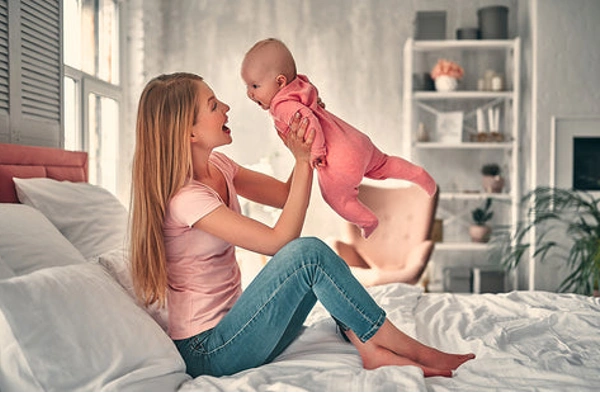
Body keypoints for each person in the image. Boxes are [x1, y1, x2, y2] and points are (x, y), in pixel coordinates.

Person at [129, 72, 475, 379]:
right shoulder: (186, 199)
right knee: (308, 255)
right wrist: (302, 160)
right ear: (188, 132)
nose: (226, 108)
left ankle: (371, 350)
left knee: (318, 267)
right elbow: (281, 241)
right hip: (208, 351)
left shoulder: (219, 165)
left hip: (240, 328)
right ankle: (405, 347)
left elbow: (283, 195)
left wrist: (311, 137)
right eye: (212, 104)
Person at [241, 38, 437, 238]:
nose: (249, 93)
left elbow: (309, 120)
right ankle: (418, 174)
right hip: (355, 140)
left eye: (255, 86)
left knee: (336, 198)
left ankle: (367, 221)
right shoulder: (300, 85)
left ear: (280, 81)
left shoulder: (281, 106)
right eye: (247, 86)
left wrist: (317, 151)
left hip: (338, 157)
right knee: (384, 164)